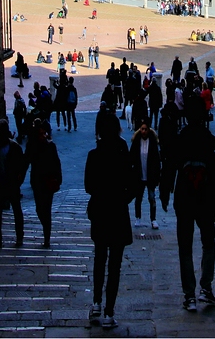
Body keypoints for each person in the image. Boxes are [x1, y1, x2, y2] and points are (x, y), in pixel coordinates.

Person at [85, 111, 137, 329]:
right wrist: (122, 198)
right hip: (117, 212)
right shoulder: (123, 153)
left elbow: (88, 186)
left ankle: (96, 302)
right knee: (114, 264)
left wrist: (101, 195)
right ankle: (109, 313)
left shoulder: (93, 155)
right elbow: (133, 184)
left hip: (100, 211)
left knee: (99, 258)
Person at [174, 95, 215, 312]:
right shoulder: (210, 140)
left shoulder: (181, 138)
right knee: (208, 243)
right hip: (205, 199)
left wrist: (166, 193)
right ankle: (206, 286)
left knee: (185, 246)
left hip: (184, 199)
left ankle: (189, 294)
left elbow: (171, 167)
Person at [0, 119, 25, 250]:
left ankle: (19, 236)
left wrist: (18, 181)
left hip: (12, 185)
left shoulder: (15, 148)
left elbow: (22, 167)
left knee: (16, 211)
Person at [23, 119, 62, 248]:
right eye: (41, 133)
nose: (44, 136)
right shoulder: (31, 146)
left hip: (49, 181)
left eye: (44, 133)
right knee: (39, 209)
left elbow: (57, 163)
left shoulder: (51, 146)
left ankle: (47, 237)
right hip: (37, 181)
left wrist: (58, 179)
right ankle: (46, 226)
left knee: (47, 209)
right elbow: (25, 162)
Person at [130, 120, 161, 229]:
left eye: (145, 129)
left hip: (150, 175)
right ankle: (138, 217)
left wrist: (157, 175)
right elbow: (131, 158)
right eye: (142, 129)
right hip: (139, 174)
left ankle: (153, 219)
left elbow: (157, 161)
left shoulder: (152, 142)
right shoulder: (136, 142)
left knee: (152, 198)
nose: (143, 131)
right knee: (138, 197)